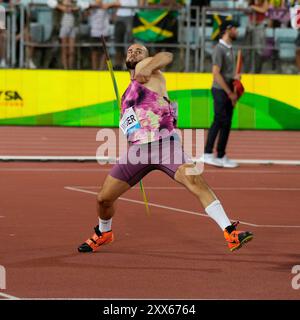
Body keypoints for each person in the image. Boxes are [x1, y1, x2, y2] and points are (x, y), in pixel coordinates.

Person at [77, 43, 254, 253]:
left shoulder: (152, 73)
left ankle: (230, 232)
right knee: (103, 199)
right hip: (138, 151)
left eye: (140, 51)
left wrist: (147, 65)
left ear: (147, 57)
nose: (134, 52)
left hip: (166, 146)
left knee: (194, 179)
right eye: (130, 51)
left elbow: (167, 55)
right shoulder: (127, 93)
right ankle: (104, 232)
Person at [202, 20, 240, 168]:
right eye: (235, 28)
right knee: (219, 121)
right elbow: (216, 74)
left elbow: (226, 72)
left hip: (228, 89)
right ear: (227, 29)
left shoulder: (230, 48)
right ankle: (207, 153)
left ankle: (221, 154)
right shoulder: (219, 49)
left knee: (226, 123)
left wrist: (234, 78)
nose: (237, 31)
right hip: (220, 90)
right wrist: (229, 92)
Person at [87, 0, 119, 70]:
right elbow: (86, 6)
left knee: (104, 53)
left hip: (105, 31)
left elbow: (117, 3)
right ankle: (94, 70)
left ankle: (101, 70)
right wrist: (98, 5)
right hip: (94, 31)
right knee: (94, 52)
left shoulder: (107, 2)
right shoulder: (92, 3)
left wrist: (108, 5)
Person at [243, 0, 269, 73]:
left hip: (259, 27)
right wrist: (250, 7)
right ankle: (246, 71)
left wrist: (253, 7)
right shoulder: (251, 1)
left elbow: (264, 10)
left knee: (258, 51)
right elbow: (245, 11)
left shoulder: (264, 1)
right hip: (250, 26)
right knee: (247, 50)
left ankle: (257, 72)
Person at [114, 0, 140, 70]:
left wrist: (110, 4)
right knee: (118, 41)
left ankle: (128, 64)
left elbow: (127, 3)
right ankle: (118, 64)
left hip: (131, 15)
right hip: (120, 16)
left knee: (129, 42)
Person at [57, 0, 79, 69]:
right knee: (64, 49)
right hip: (64, 26)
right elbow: (54, 4)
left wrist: (70, 7)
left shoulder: (75, 2)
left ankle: (71, 67)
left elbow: (78, 7)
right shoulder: (60, 2)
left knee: (71, 50)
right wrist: (64, 7)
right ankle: (65, 68)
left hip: (72, 27)